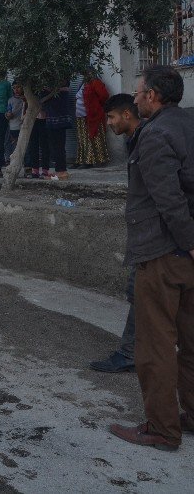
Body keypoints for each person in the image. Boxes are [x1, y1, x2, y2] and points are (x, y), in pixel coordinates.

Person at [109, 66, 194, 452]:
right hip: (183, 253)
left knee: (157, 343)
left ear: (154, 96)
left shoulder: (156, 134)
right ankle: (189, 415)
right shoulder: (187, 125)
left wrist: (189, 242)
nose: (136, 98)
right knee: (191, 341)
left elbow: (168, 199)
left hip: (165, 253)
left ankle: (162, 429)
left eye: (140, 93)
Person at [90, 94, 142, 374]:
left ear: (125, 115)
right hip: (148, 233)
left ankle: (130, 353)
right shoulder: (135, 139)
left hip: (154, 237)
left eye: (110, 117)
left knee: (141, 292)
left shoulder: (150, 139)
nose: (108, 123)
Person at [74, 72, 110, 168]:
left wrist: (96, 106)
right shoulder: (83, 83)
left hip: (92, 116)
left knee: (91, 138)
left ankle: (89, 161)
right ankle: (81, 160)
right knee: (82, 139)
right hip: (80, 116)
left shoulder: (95, 82)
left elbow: (104, 96)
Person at [44, 82, 74, 180]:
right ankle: (60, 170)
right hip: (57, 119)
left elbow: (44, 98)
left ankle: (61, 172)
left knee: (58, 146)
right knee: (58, 146)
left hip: (57, 120)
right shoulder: (62, 90)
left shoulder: (58, 91)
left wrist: (49, 90)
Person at [4, 82, 25, 165]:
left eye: (18, 87)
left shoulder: (26, 99)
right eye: (14, 88)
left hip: (23, 126)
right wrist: (8, 115)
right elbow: (8, 112)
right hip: (13, 127)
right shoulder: (10, 100)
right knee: (12, 144)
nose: (16, 90)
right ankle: (10, 160)